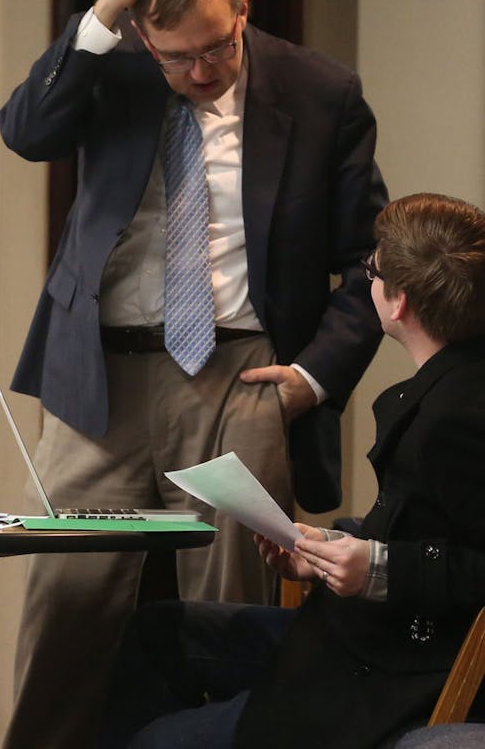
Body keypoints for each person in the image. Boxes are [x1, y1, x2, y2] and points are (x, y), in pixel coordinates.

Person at [0, 0, 388, 747]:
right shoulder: (110, 62)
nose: (202, 73)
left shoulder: (321, 91)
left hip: (240, 374)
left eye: (219, 46)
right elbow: (28, 132)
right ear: (144, 36)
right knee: (64, 612)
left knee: (233, 612)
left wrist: (310, 379)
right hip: (98, 377)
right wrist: (101, 13)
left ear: (244, 10)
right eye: (179, 58)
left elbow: (368, 262)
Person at [100, 192, 485, 748]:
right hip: (367, 638)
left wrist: (377, 568)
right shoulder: (448, 389)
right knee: (158, 630)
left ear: (398, 303)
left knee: (156, 740)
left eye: (373, 271)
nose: (368, 280)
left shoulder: (458, 415)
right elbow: (429, 527)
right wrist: (326, 552)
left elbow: (457, 557)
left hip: (395, 668)